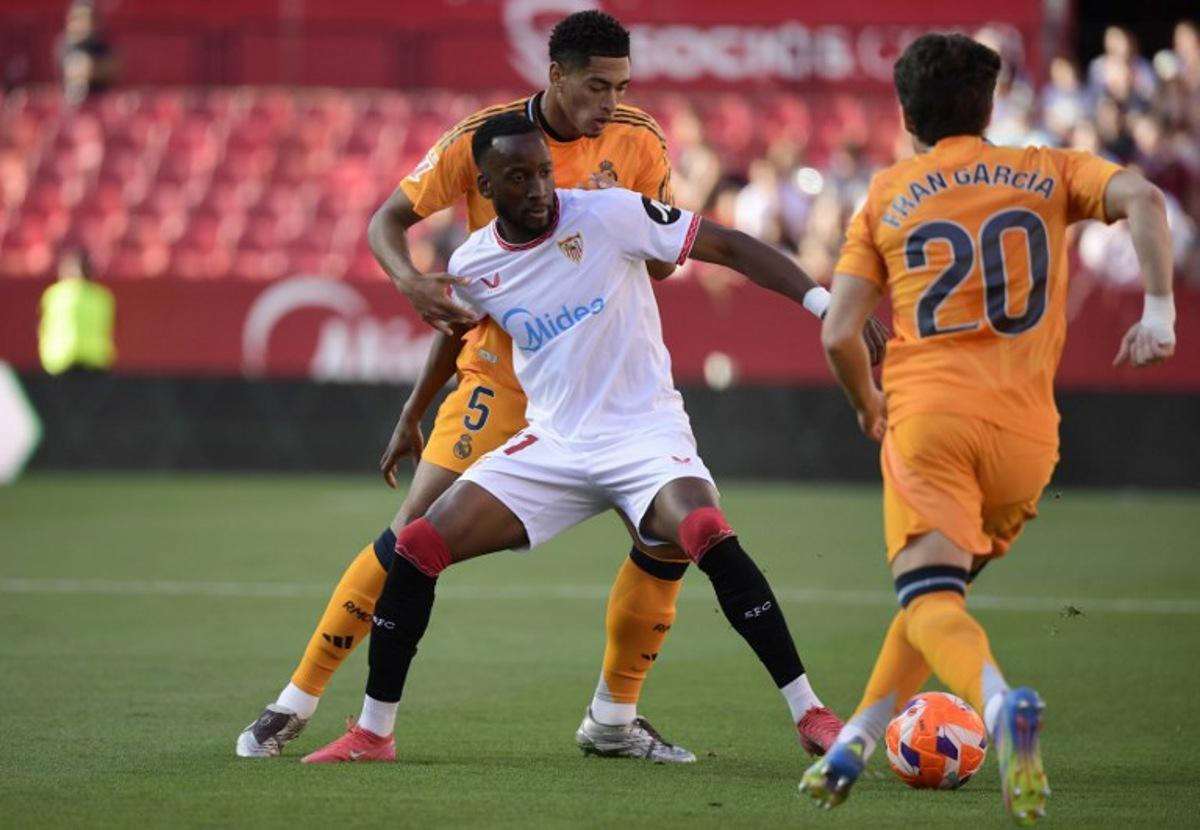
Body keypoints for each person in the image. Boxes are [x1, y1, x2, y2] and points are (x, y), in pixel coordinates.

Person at [237, 10, 882, 762]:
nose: (607, 101)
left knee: (670, 542)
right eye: (595, 86)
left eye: (620, 86)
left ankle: (616, 717)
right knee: (411, 532)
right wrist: (412, 319)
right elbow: (394, 225)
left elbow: (690, 250)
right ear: (555, 78)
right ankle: (303, 700)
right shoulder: (482, 157)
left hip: (612, 388)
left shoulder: (630, 157)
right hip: (509, 375)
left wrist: (803, 295)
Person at [798, 33, 1176, 825]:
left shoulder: (888, 193)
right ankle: (857, 741)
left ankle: (1004, 713)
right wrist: (1160, 311)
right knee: (940, 598)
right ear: (989, 103)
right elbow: (1143, 194)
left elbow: (838, 333)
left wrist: (866, 399)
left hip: (930, 419)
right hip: (1029, 439)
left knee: (932, 599)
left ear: (905, 114)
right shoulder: (1048, 170)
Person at [38, 250, 115, 375]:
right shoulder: (102, 297)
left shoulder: (54, 295)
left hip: (59, 360)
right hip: (95, 360)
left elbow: (45, 327)